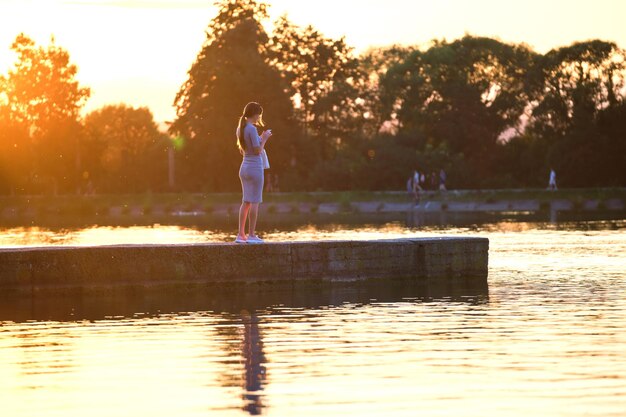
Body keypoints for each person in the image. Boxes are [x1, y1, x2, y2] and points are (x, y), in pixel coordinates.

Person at [235, 102, 272, 244]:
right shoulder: (251, 128)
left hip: (244, 168)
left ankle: (240, 234)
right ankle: (251, 235)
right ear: (255, 114)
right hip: (255, 168)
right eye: (259, 115)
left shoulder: (241, 128)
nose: (259, 117)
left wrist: (260, 138)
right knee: (255, 201)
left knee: (246, 202)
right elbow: (257, 151)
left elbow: (244, 150)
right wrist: (265, 139)